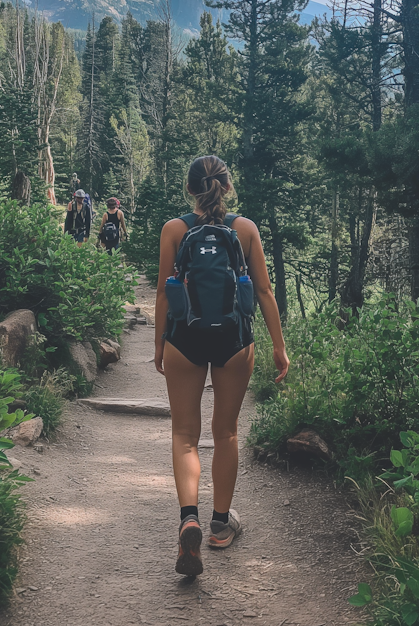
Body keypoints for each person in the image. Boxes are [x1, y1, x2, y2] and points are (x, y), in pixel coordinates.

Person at [154, 155, 289, 577]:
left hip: (185, 339)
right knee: (227, 431)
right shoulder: (244, 229)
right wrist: (279, 348)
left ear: (190, 189)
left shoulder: (175, 229)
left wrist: (160, 345)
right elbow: (264, 292)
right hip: (234, 340)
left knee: (184, 435)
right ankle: (219, 524)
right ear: (226, 188)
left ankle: (188, 518)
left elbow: (163, 293)